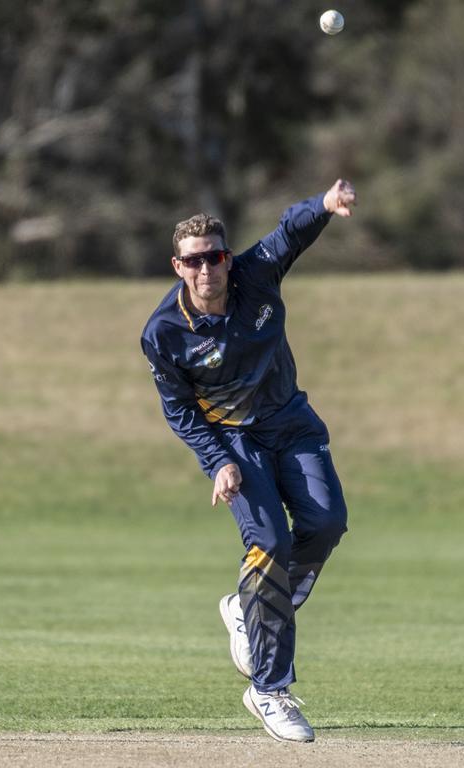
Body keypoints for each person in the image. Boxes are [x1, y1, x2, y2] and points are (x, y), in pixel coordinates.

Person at [140, 180, 356, 743]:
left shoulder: (255, 275)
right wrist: (217, 463)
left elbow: (290, 233)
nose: (206, 269)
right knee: (269, 544)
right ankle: (269, 689)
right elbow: (180, 411)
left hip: (291, 422)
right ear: (178, 266)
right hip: (236, 441)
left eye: (215, 257)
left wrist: (326, 206)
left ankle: (249, 607)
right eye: (194, 261)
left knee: (327, 523)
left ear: (227, 259)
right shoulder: (164, 333)